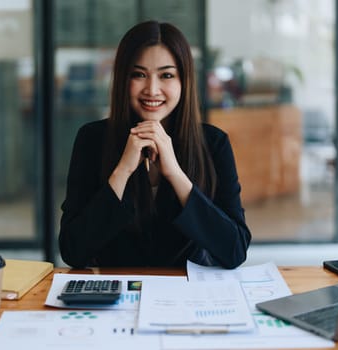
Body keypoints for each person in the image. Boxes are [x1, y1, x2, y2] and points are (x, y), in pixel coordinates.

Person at [58, 20, 251, 269]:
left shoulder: (214, 143)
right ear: (122, 80)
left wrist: (174, 173)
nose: (152, 89)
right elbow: (73, 252)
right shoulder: (92, 139)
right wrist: (122, 171)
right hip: (116, 297)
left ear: (184, 81)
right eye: (138, 75)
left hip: (188, 296)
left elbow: (234, 251)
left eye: (166, 75)